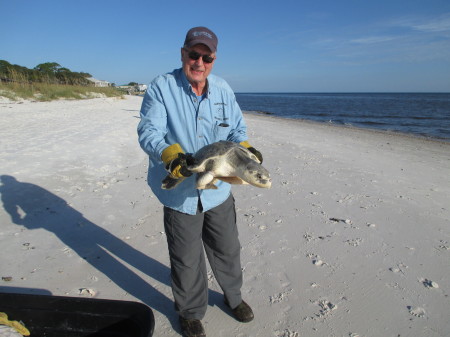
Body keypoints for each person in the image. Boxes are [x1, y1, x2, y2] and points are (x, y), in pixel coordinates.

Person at [137, 26, 263, 337]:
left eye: (206, 57)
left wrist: (247, 150)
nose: (199, 62)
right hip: (180, 191)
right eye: (194, 55)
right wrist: (169, 154)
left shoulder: (222, 89)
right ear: (183, 54)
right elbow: (148, 132)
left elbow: (236, 133)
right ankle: (191, 312)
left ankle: (233, 298)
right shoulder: (161, 88)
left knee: (227, 248)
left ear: (213, 59)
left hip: (218, 190)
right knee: (186, 257)